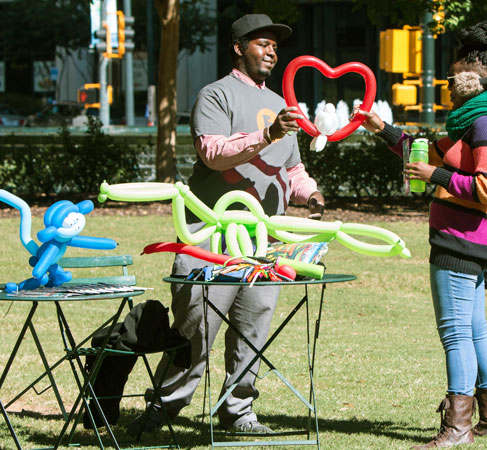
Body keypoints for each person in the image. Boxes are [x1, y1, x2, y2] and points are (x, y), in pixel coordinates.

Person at [129, 13, 325, 435]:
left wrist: (310, 193)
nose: (272, 50)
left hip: (264, 243)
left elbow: (291, 169)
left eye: (275, 44)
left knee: (253, 333)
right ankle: (162, 412)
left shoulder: (280, 105)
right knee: (194, 330)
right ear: (238, 47)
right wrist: (268, 134)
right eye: (261, 43)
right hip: (211, 241)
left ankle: (238, 412)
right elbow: (213, 153)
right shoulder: (215, 96)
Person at [353, 21, 487, 448]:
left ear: (473, 68)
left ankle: (458, 426)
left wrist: (435, 175)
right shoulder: (471, 120)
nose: (446, 74)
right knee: (474, 329)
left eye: (454, 62)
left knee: (456, 333)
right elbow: (428, 149)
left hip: (462, 239)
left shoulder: (486, 122)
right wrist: (381, 128)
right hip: (466, 238)